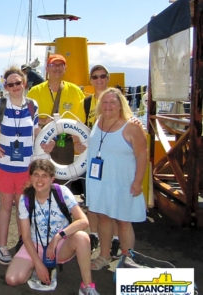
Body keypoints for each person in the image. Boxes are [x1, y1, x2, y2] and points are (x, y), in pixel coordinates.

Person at [0, 67, 45, 265]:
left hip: (25, 167)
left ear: (24, 84)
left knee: (23, 207)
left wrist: (47, 141)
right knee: (5, 206)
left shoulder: (33, 105)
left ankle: (25, 243)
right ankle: (2, 246)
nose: (14, 87)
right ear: (5, 86)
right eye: (10, 84)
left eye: (18, 83)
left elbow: (36, 130)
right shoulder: (0, 105)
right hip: (4, 166)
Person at [5, 159, 100, 295]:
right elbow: (25, 236)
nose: (39, 179)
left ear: (52, 178)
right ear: (30, 177)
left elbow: (84, 221)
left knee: (82, 237)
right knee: (12, 279)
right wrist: (38, 264)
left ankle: (87, 286)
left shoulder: (62, 192)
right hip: (35, 245)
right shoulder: (25, 199)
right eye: (36, 174)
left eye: (44, 175)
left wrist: (58, 236)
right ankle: (39, 269)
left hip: (60, 245)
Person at [83, 87, 147, 270]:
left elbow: (142, 155)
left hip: (122, 182)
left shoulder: (132, 126)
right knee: (103, 217)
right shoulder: (98, 121)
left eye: (113, 101)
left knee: (123, 221)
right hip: (100, 181)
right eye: (105, 101)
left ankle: (127, 262)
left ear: (121, 105)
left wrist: (137, 182)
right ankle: (104, 255)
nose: (108, 105)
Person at [77, 65, 121, 256]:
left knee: (114, 201)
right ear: (91, 79)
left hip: (113, 160)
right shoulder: (86, 103)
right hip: (93, 161)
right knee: (93, 201)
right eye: (95, 77)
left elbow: (128, 122)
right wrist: (78, 145)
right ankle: (93, 235)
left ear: (108, 78)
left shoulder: (117, 100)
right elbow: (78, 129)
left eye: (103, 76)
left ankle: (116, 239)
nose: (99, 79)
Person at [27, 54, 85, 166]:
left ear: (65, 68)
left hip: (65, 143)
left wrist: (78, 141)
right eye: (53, 64)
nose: (57, 68)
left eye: (61, 65)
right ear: (47, 68)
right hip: (42, 141)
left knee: (64, 179)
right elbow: (26, 118)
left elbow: (82, 121)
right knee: (40, 177)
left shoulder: (75, 91)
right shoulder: (35, 92)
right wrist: (44, 121)